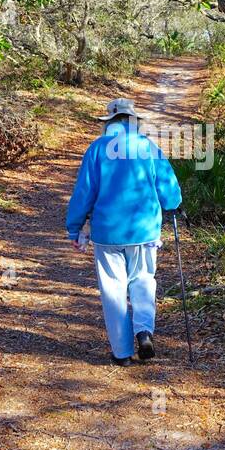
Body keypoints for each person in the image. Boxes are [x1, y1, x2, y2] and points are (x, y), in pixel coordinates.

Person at [66, 98, 182, 366]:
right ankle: (144, 331)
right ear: (134, 122)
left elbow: (84, 193)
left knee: (113, 290)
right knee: (143, 280)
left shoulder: (97, 149)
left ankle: (121, 353)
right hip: (145, 232)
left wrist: (74, 228)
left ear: (109, 123)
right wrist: (172, 204)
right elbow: (170, 194)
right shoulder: (148, 147)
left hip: (107, 234)